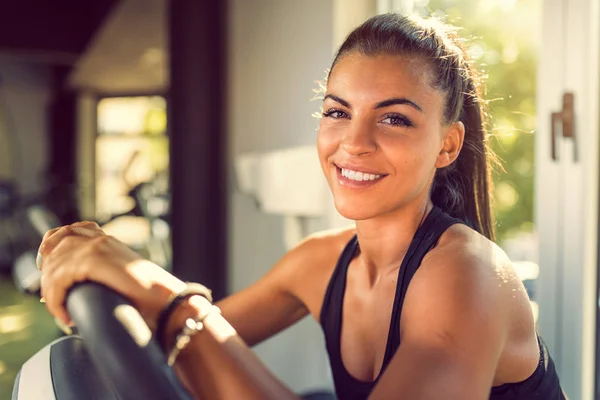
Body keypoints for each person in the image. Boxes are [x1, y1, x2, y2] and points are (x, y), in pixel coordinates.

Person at [36, 13, 565, 400]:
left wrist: (169, 296)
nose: (353, 142)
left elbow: (187, 325)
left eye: (394, 118)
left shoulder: (468, 276)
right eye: (338, 111)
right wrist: (108, 276)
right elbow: (176, 346)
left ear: (447, 145)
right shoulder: (321, 264)